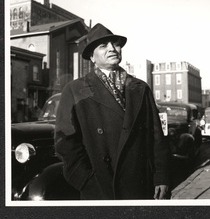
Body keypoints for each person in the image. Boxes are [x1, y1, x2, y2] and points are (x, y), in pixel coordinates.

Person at [55, 23, 171, 200]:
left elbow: (157, 137)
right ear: (92, 57)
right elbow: (65, 142)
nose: (112, 49)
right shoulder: (75, 90)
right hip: (100, 187)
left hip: (140, 184)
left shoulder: (141, 88)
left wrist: (161, 177)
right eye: (103, 46)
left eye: (115, 44)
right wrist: (85, 180)